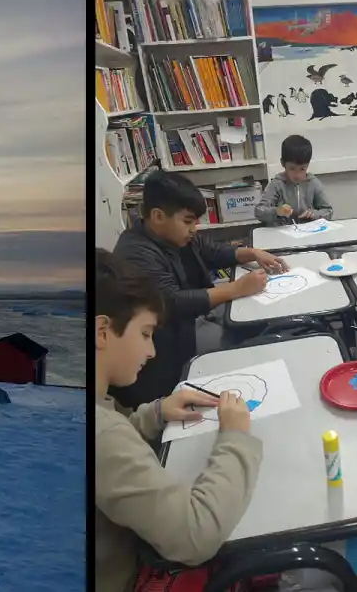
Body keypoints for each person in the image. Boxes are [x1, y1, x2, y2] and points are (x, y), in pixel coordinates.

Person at [94, 248, 262, 592]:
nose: (151, 351)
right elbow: (195, 536)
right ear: (101, 331)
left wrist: (153, 414)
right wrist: (235, 438)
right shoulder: (101, 433)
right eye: (144, 334)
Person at [113, 170, 288, 409]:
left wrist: (253, 253)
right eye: (187, 221)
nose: (194, 229)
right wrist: (236, 289)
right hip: (170, 341)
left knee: (260, 318)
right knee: (246, 343)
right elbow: (173, 302)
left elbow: (214, 251)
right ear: (158, 216)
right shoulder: (135, 253)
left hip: (196, 317)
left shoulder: (177, 235)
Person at [253, 135, 334, 225]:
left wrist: (314, 214)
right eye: (292, 169)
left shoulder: (313, 183)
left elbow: (328, 211)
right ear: (283, 163)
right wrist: (277, 211)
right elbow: (259, 211)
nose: (298, 175)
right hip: (283, 233)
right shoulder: (277, 184)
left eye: (302, 169)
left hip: (308, 232)